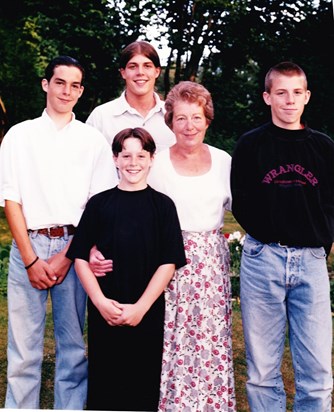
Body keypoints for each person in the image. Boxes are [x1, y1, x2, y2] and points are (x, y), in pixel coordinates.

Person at [0, 55, 118, 409]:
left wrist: (68, 256)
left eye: (75, 85)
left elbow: (98, 207)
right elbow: (11, 200)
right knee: (23, 349)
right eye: (60, 82)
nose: (67, 91)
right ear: (45, 84)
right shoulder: (20, 136)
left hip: (75, 246)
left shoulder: (92, 140)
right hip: (28, 245)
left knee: (73, 346)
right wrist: (31, 259)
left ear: (81, 91)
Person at [230, 61, 334, 411]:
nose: (289, 100)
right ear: (267, 97)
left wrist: (320, 241)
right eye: (281, 93)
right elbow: (240, 201)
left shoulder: (323, 147)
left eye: (296, 92)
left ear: (307, 96)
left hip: (311, 262)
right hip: (264, 259)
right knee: (261, 370)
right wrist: (268, 233)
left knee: (318, 370)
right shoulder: (250, 144)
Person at [66, 127, 186, 411]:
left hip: (147, 312)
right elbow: (81, 256)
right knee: (106, 383)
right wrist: (99, 302)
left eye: (141, 155)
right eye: (126, 155)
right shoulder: (99, 204)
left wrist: (142, 307)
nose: (134, 162)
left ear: (152, 158)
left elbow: (168, 262)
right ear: (115, 159)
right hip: (105, 310)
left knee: (141, 385)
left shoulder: (163, 206)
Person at [148, 81, 236, 411]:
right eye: (181, 118)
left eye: (196, 117)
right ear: (170, 122)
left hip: (212, 266)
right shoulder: (155, 163)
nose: (189, 126)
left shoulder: (225, 161)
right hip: (168, 263)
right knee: (173, 341)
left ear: (207, 119)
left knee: (211, 342)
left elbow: (249, 209)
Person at [86, 40, 176, 153]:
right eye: (133, 66)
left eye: (147, 66)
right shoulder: (101, 117)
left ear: (157, 71)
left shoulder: (174, 116)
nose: (140, 72)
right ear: (123, 72)